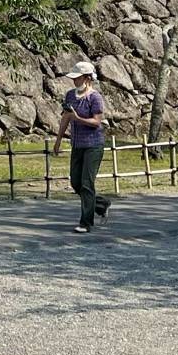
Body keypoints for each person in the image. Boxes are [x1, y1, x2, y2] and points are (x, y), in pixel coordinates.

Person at [53, 59, 111, 233]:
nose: (74, 81)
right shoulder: (70, 95)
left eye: (77, 78)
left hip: (93, 145)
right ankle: (100, 204)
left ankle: (86, 222)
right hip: (77, 144)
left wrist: (78, 119)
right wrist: (58, 139)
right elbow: (66, 117)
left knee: (87, 182)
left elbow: (96, 122)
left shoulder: (95, 97)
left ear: (86, 78)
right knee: (75, 182)